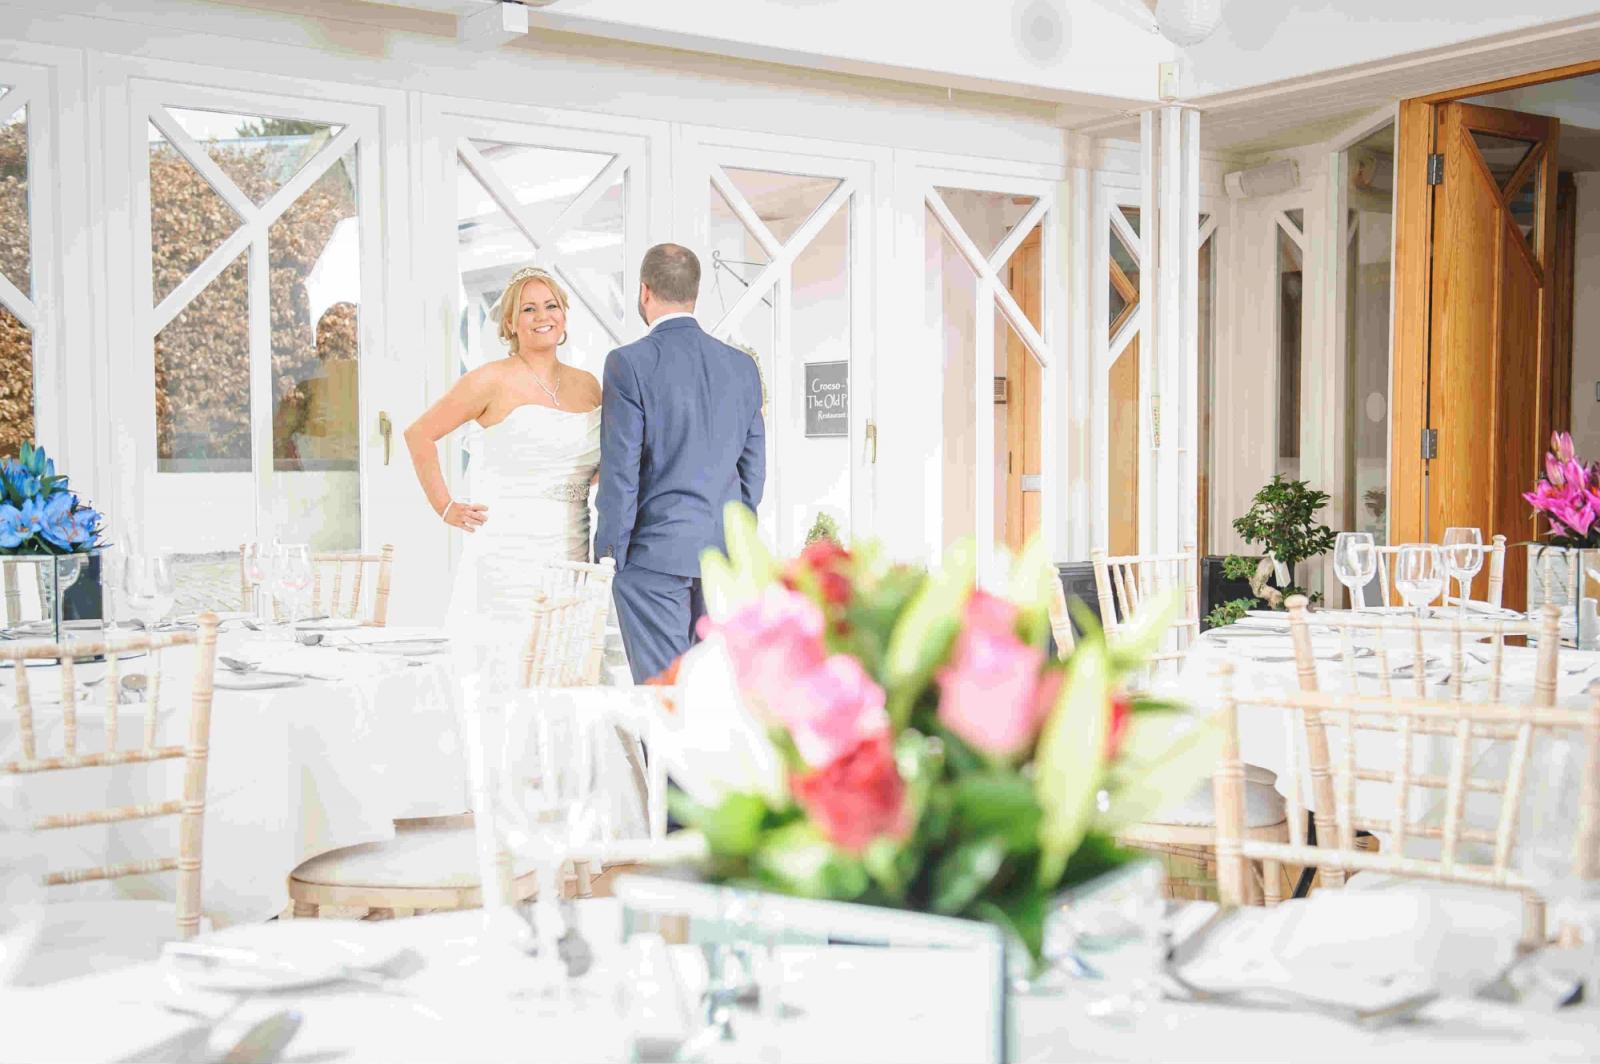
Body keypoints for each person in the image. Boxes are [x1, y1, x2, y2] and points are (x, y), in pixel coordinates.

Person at [596, 244, 766, 683]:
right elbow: (752, 471)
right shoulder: (742, 367)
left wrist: (610, 555)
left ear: (644, 291)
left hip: (652, 559)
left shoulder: (628, 364)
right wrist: (735, 542)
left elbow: (621, 472)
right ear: (695, 292)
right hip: (722, 558)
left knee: (664, 699)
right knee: (711, 695)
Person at [403, 266, 603, 629]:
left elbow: (597, 464)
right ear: (510, 323)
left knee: (565, 650)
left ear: (563, 314)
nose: (542, 316)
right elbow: (419, 434)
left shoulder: (588, 385)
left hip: (572, 548)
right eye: (528, 309)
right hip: (507, 554)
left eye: (551, 306)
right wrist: (444, 507)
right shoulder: (489, 380)